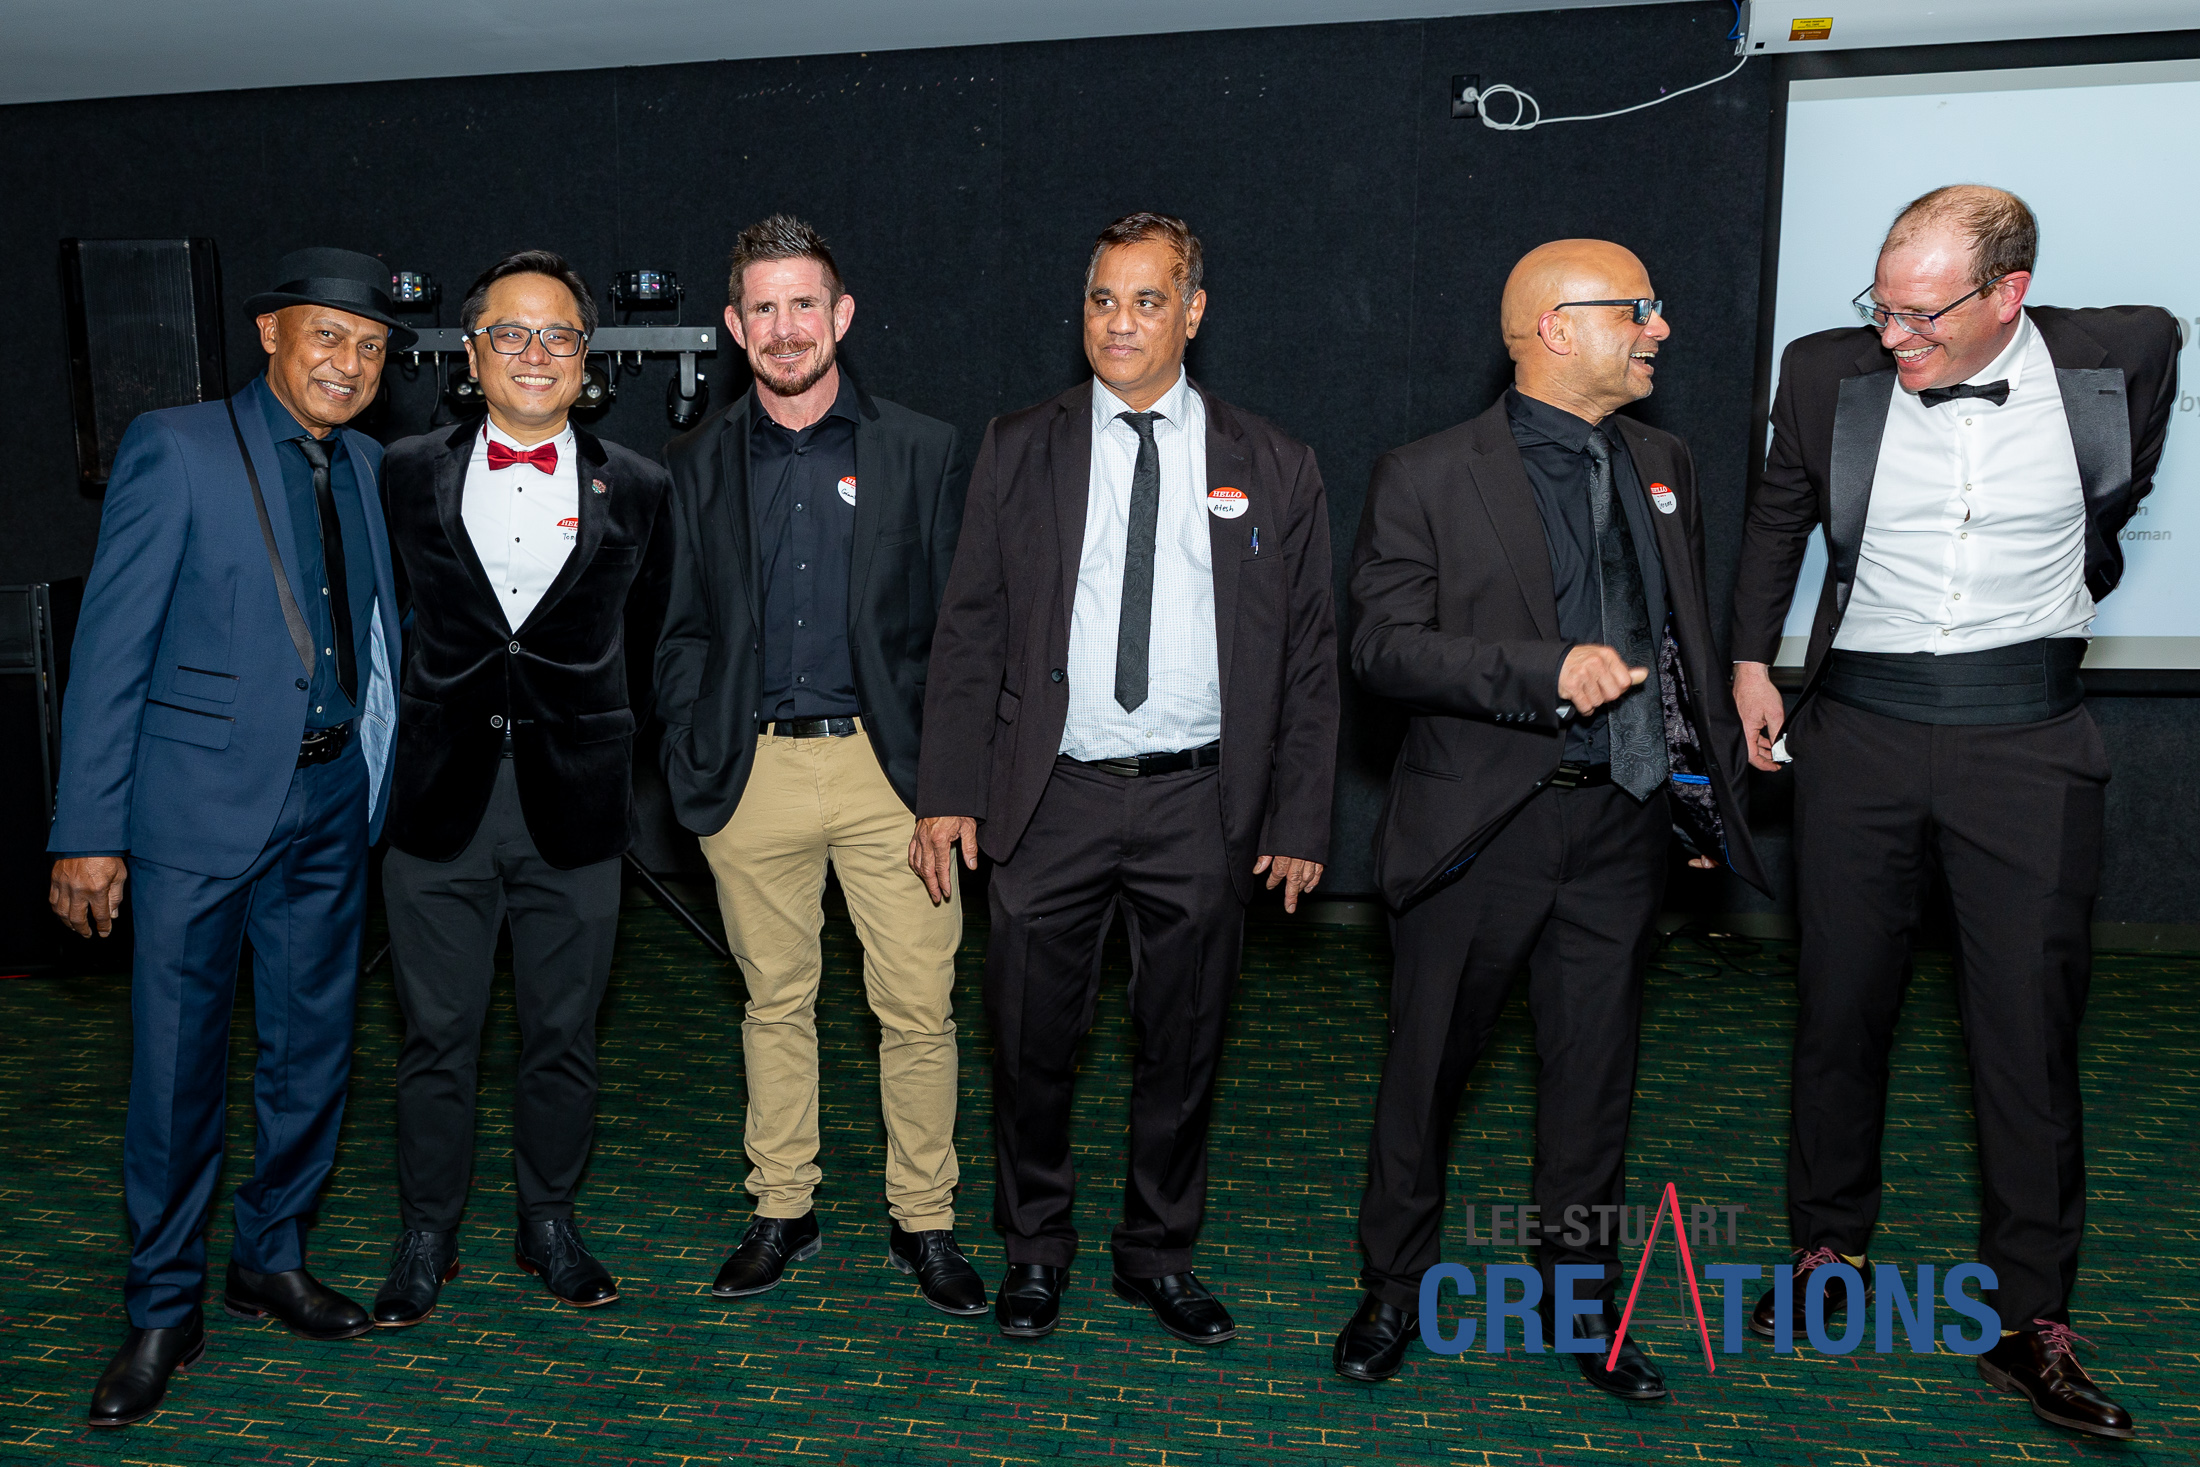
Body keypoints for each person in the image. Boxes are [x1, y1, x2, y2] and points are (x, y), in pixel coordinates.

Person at [1729, 185, 2179, 1441]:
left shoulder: (2125, 351)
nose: (1893, 336)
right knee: (1840, 1006)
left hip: (2026, 733)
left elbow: (2119, 483)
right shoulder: (1821, 372)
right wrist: (1749, 660)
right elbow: (1777, 516)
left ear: (2008, 295)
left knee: (2026, 1034)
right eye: (1881, 306)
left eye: (1923, 314)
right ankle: (1826, 1253)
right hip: (1860, 727)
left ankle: (2029, 1321)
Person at [1330, 240, 1766, 1392]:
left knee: (1593, 1082)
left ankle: (1580, 1299)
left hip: (1621, 825)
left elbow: (1676, 641)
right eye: (1638, 310)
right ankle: (1394, 1286)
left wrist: (1702, 777)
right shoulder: (1426, 474)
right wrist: (1542, 671)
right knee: (1427, 1072)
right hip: (1482, 827)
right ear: (1555, 329)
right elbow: (1380, 649)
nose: (1659, 329)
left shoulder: (1664, 462)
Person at [912, 212, 1338, 1345]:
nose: (1119, 322)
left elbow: (1308, 656)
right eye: (1102, 299)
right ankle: (1033, 1246)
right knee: (1027, 1041)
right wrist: (948, 788)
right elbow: (969, 627)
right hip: (1050, 795)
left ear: (1192, 313)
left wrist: (1300, 815)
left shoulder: (1274, 462)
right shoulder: (1019, 444)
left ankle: (1158, 1252)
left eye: (1147, 301)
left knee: (1182, 1046)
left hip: (1203, 801)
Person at [46, 248, 408, 1427]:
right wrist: (87, 830)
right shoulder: (178, 446)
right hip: (196, 812)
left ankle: (270, 1257)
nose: (349, 362)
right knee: (176, 1070)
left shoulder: (367, 465)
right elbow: (110, 650)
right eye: (327, 335)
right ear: (269, 334)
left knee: (312, 1051)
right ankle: (162, 1307)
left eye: (370, 346)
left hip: (329, 801)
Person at [654, 216, 983, 1314]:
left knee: (918, 1011)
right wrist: (693, 743)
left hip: (893, 783)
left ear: (841, 315)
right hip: (752, 777)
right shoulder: (697, 461)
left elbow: (961, 635)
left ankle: (925, 1220)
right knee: (772, 1003)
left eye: (805, 303)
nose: (785, 327)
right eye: (764, 307)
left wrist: (949, 787)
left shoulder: (922, 449)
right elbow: (681, 628)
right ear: (734, 325)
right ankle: (782, 1207)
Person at [371, 249, 671, 1325]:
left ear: (587, 359)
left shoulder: (642, 486)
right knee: (435, 1036)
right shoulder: (401, 470)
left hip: (576, 803)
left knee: (563, 1035)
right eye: (511, 332)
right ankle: (427, 1230)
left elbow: (656, 638)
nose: (534, 353)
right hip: (438, 798)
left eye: (558, 335)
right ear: (471, 353)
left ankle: (548, 1221)